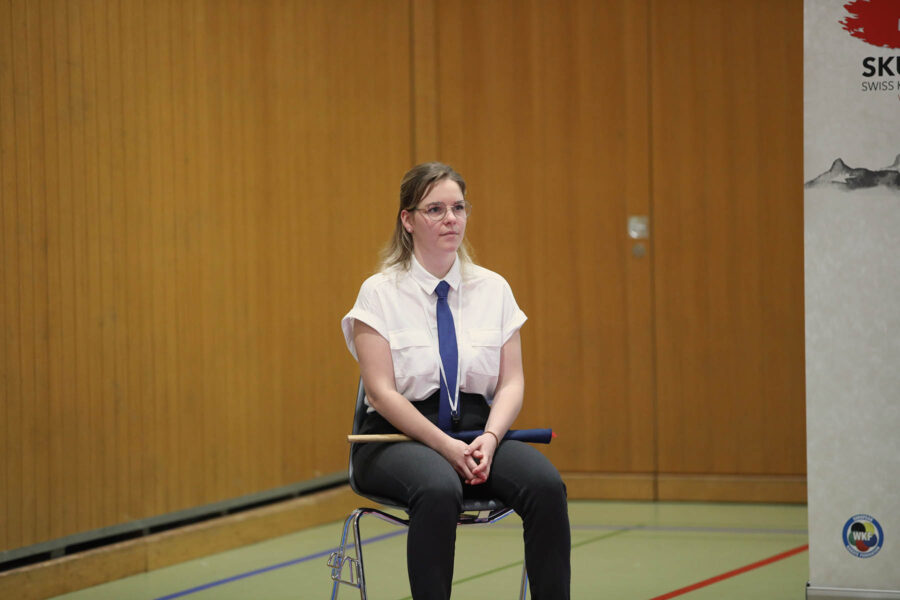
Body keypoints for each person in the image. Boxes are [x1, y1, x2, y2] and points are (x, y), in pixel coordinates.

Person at [341, 162, 570, 600]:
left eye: (458, 208)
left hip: (477, 433)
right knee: (438, 487)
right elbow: (381, 394)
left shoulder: (494, 289)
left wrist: (491, 437)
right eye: (435, 209)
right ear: (408, 220)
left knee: (545, 485)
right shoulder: (379, 293)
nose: (451, 219)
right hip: (397, 437)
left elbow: (512, 383)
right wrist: (445, 447)